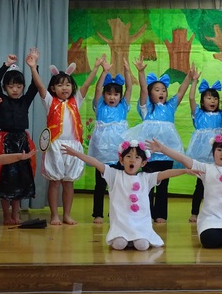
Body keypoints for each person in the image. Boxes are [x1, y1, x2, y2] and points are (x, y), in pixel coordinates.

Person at [63, 140, 191, 250]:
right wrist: (76, 153)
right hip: (121, 227)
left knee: (142, 246)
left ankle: (138, 237)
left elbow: (166, 173)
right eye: (128, 156)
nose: (132, 160)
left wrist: (185, 170)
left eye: (137, 157)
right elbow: (96, 163)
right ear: (121, 160)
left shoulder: (146, 178)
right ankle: (125, 238)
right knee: (119, 244)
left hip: (140, 226)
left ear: (143, 163)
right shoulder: (114, 175)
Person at [33, 56, 103, 225]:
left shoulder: (76, 101)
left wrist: (95, 68)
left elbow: (86, 85)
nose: (64, 88)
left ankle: (67, 215)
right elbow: (40, 86)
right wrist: (33, 68)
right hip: (55, 145)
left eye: (67, 84)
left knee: (69, 182)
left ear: (72, 87)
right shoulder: (50, 101)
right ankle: (54, 215)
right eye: (59, 85)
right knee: (54, 182)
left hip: (73, 145)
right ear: (53, 88)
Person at [128, 56, 193, 223]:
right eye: (157, 89)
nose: (161, 92)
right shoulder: (146, 109)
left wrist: (189, 77)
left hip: (166, 152)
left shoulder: (170, 107)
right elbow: (143, 90)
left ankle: (160, 215)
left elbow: (181, 92)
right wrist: (141, 72)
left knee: (163, 184)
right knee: (148, 184)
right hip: (149, 153)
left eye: (163, 90)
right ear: (150, 92)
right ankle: (146, 213)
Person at [0, 51, 41, 225]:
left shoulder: (25, 101)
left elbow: (35, 86)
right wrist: (6, 65)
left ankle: (16, 214)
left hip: (22, 141)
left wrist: (33, 66)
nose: (15, 90)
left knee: (20, 179)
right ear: (5, 88)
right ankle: (6, 215)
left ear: (22, 87)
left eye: (18, 86)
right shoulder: (1, 100)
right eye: (10, 86)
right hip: (4, 141)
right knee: (5, 179)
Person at [184, 68, 222, 223]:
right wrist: (194, 80)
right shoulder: (198, 113)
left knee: (218, 184)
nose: (213, 101)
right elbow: (191, 98)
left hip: (218, 154)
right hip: (202, 155)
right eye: (209, 98)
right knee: (200, 185)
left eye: (215, 98)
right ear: (203, 101)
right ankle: (195, 213)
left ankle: (219, 212)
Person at [89, 58, 133, 224]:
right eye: (109, 93)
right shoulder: (99, 106)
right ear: (104, 95)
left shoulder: (123, 106)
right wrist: (105, 71)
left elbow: (129, 88)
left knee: (118, 185)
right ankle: (98, 214)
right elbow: (97, 88)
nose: (112, 97)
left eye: (116, 94)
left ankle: (116, 213)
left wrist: (127, 71)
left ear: (120, 96)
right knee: (100, 185)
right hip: (101, 153)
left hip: (118, 153)